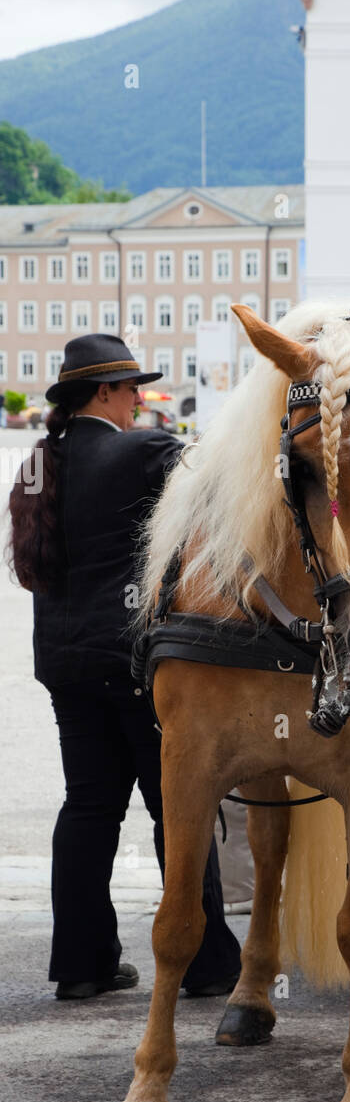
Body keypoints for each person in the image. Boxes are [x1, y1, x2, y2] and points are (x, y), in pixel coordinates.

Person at [7, 334, 242, 1000]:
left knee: (89, 806)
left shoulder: (40, 461)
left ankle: (83, 965)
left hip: (65, 661)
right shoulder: (142, 451)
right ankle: (207, 963)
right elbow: (225, 499)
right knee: (177, 807)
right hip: (137, 661)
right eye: (133, 388)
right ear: (105, 391)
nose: (140, 399)